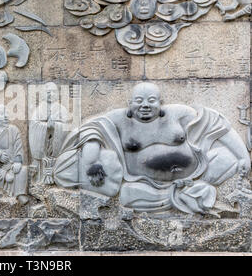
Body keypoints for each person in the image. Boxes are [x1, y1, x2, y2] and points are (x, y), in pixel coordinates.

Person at [53, 82, 250, 216]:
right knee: (127, 195)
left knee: (226, 159)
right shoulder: (119, 119)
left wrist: (244, 157)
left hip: (198, 172)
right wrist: (92, 162)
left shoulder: (179, 113)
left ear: (160, 103)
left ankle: (194, 188)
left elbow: (218, 126)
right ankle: (182, 196)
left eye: (151, 101)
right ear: (130, 104)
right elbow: (92, 131)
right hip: (146, 183)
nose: (145, 105)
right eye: (139, 101)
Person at [29, 82, 70, 184]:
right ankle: (41, 179)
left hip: (56, 147)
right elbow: (33, 125)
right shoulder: (39, 109)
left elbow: (67, 126)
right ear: (43, 94)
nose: (51, 94)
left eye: (53, 91)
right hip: (43, 147)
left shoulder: (62, 110)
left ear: (57, 94)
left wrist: (56, 126)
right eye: (48, 92)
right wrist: (46, 126)